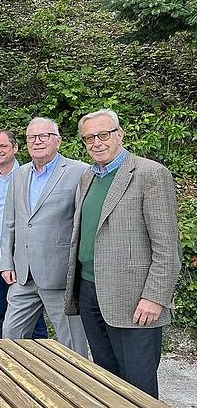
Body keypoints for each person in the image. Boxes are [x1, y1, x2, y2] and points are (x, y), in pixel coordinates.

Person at [64, 109, 181, 398]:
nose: (97, 142)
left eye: (103, 134)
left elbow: (167, 247)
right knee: (107, 377)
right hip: (90, 290)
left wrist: (155, 297)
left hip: (134, 298)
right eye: (89, 137)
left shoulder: (150, 174)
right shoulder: (87, 178)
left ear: (120, 134)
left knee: (138, 383)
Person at [0, 117, 89, 356]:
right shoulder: (19, 175)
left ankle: (77, 386)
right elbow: (10, 222)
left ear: (57, 140)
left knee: (71, 342)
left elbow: (83, 224)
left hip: (59, 273)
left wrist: (77, 269)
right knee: (10, 334)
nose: (37, 141)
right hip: (23, 273)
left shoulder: (79, 172)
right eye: (31, 137)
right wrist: (6, 262)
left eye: (44, 136)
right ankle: (15, 384)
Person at [0, 129, 48, 339]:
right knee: (0, 312)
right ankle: (6, 359)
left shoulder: (30, 175)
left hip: (23, 255)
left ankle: (42, 359)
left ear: (15, 148)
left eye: (3, 146)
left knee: (32, 312)